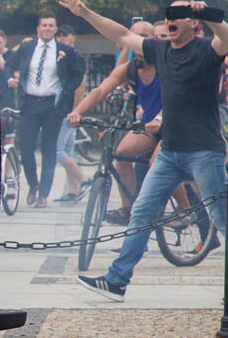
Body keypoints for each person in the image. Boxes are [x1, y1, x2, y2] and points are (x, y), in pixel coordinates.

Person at [63, 0, 228, 304]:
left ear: (192, 23)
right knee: (142, 212)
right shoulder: (160, 50)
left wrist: (206, 12)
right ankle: (117, 280)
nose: (171, 20)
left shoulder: (207, 49)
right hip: (170, 151)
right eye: (168, 15)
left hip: (204, 151)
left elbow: (227, 36)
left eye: (178, 16)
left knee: (224, 217)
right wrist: (85, 12)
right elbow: (121, 35)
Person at [68, 38, 162, 224]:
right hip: (147, 125)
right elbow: (100, 90)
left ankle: (184, 208)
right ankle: (127, 209)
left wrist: (160, 118)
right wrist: (77, 111)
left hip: (172, 123)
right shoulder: (130, 69)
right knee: (122, 153)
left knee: (159, 165)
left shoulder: (167, 66)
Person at [6, 15, 83, 208]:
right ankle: (33, 184)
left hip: (53, 105)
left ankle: (43, 194)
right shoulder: (27, 47)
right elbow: (9, 64)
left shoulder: (65, 50)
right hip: (30, 103)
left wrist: (67, 90)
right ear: (38, 29)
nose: (47, 28)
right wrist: (10, 80)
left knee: (49, 150)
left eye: (51, 25)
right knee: (26, 148)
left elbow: (78, 72)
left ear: (55, 29)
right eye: (44, 25)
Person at [50, 25, 88, 203]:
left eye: (66, 35)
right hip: (66, 108)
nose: (63, 38)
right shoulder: (59, 56)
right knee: (67, 150)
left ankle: (84, 180)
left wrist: (76, 111)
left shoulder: (75, 57)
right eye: (60, 36)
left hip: (69, 109)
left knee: (58, 150)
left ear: (73, 37)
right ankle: (73, 190)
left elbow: (80, 87)